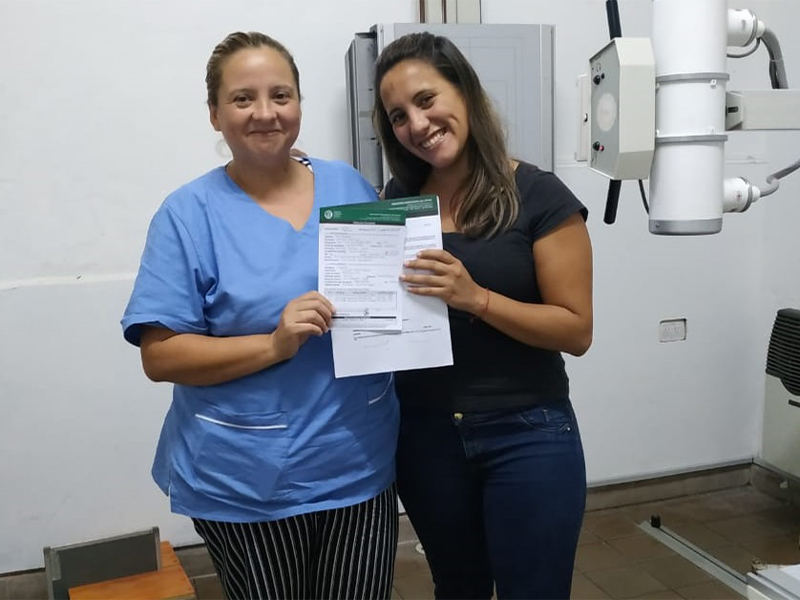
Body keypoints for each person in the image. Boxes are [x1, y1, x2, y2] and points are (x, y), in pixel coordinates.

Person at [121, 31, 399, 600]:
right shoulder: (188, 215)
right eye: (243, 98)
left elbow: (387, 299)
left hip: (357, 464)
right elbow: (160, 356)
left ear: (299, 103)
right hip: (246, 479)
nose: (265, 113)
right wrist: (273, 344)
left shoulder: (349, 185)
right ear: (214, 114)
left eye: (281, 95)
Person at [372, 32, 593, 599]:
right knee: (458, 590)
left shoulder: (538, 195)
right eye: (399, 116)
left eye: (427, 100)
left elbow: (576, 330)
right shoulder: (398, 201)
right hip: (425, 436)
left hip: (528, 433)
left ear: (465, 92)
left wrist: (477, 299)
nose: (417, 124)